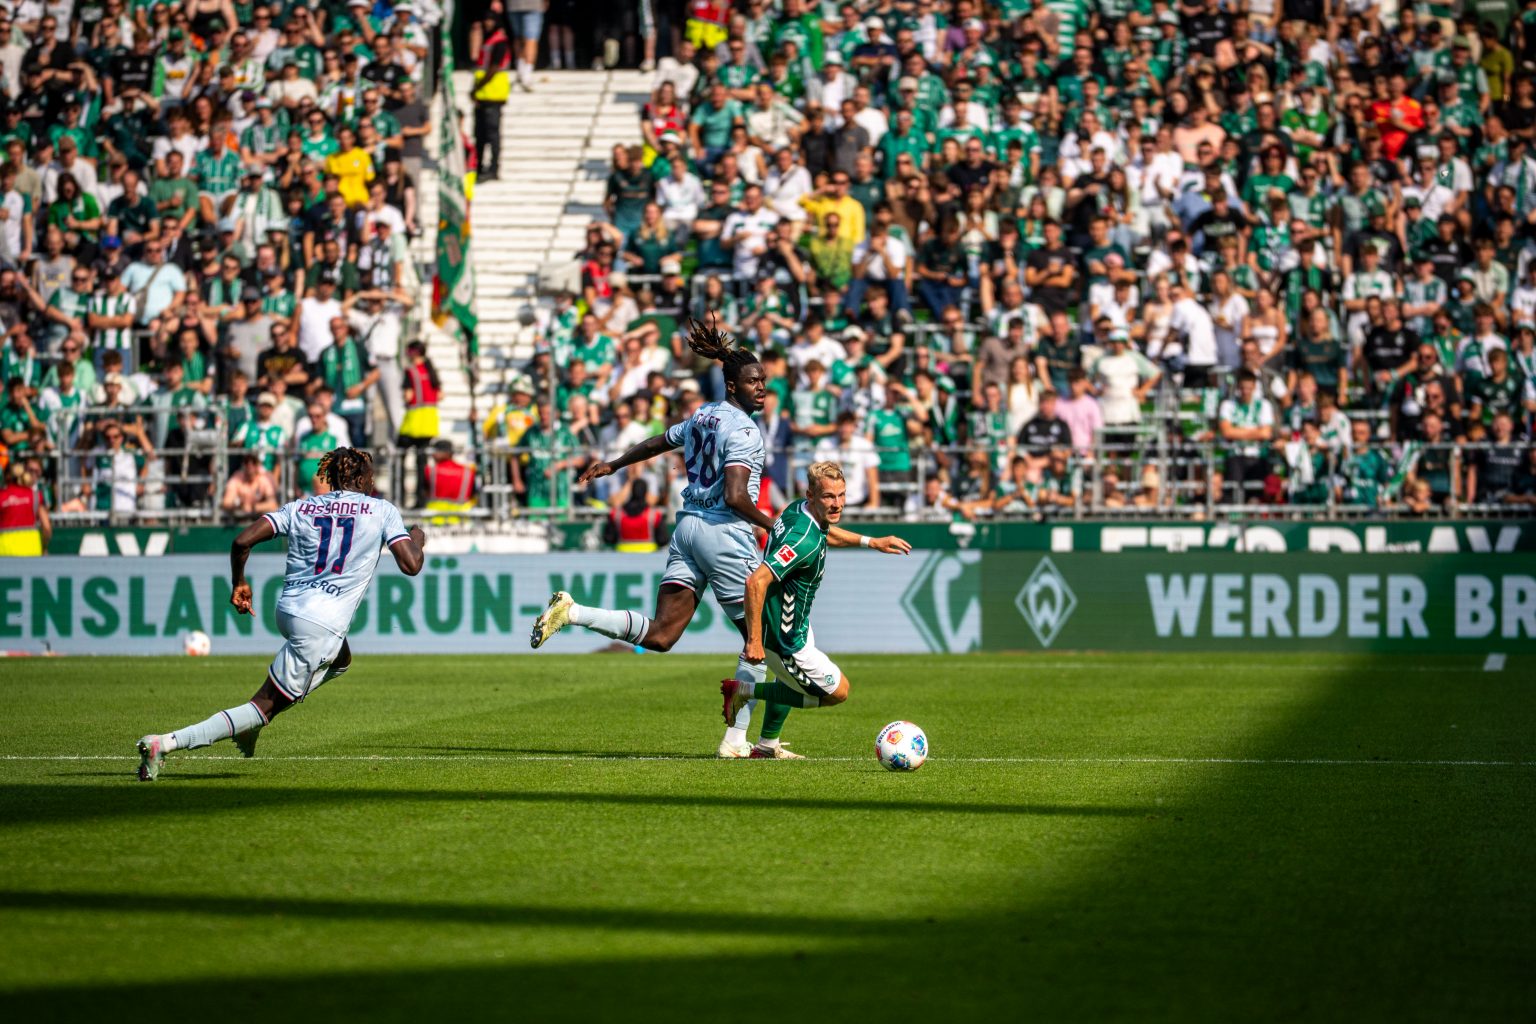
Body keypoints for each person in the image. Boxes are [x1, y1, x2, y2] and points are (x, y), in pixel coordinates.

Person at [532, 318, 909, 758]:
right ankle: (738, 741)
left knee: (662, 634)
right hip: (722, 534)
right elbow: (734, 495)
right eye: (753, 382)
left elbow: (659, 441)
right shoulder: (746, 430)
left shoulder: (702, 415)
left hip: (687, 528)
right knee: (763, 640)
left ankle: (573, 612)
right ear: (732, 385)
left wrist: (614, 464)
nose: (761, 389)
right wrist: (775, 525)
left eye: (764, 381)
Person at [135, 448, 426, 781]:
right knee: (263, 706)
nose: (373, 483)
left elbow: (242, 541)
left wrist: (239, 583)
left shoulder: (301, 506)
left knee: (342, 659)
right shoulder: (382, 510)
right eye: (371, 478)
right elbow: (411, 564)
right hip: (321, 624)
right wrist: (417, 535)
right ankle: (165, 743)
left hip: (288, 610)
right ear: (361, 479)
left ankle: (256, 720)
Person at [720, 461, 855, 758]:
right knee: (838, 692)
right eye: (829, 497)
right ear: (811, 495)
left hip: (796, 624)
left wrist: (871, 542)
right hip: (784, 640)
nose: (837, 504)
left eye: (841, 495)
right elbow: (756, 582)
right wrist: (753, 640)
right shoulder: (802, 540)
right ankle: (742, 691)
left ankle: (767, 746)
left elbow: (827, 532)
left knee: (788, 679)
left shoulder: (797, 510)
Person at [0, 460, 50, 556]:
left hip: (4, 552)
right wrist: (44, 546)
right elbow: (47, 527)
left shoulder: (1, 496)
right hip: (32, 550)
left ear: (6, 477)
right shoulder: (35, 495)